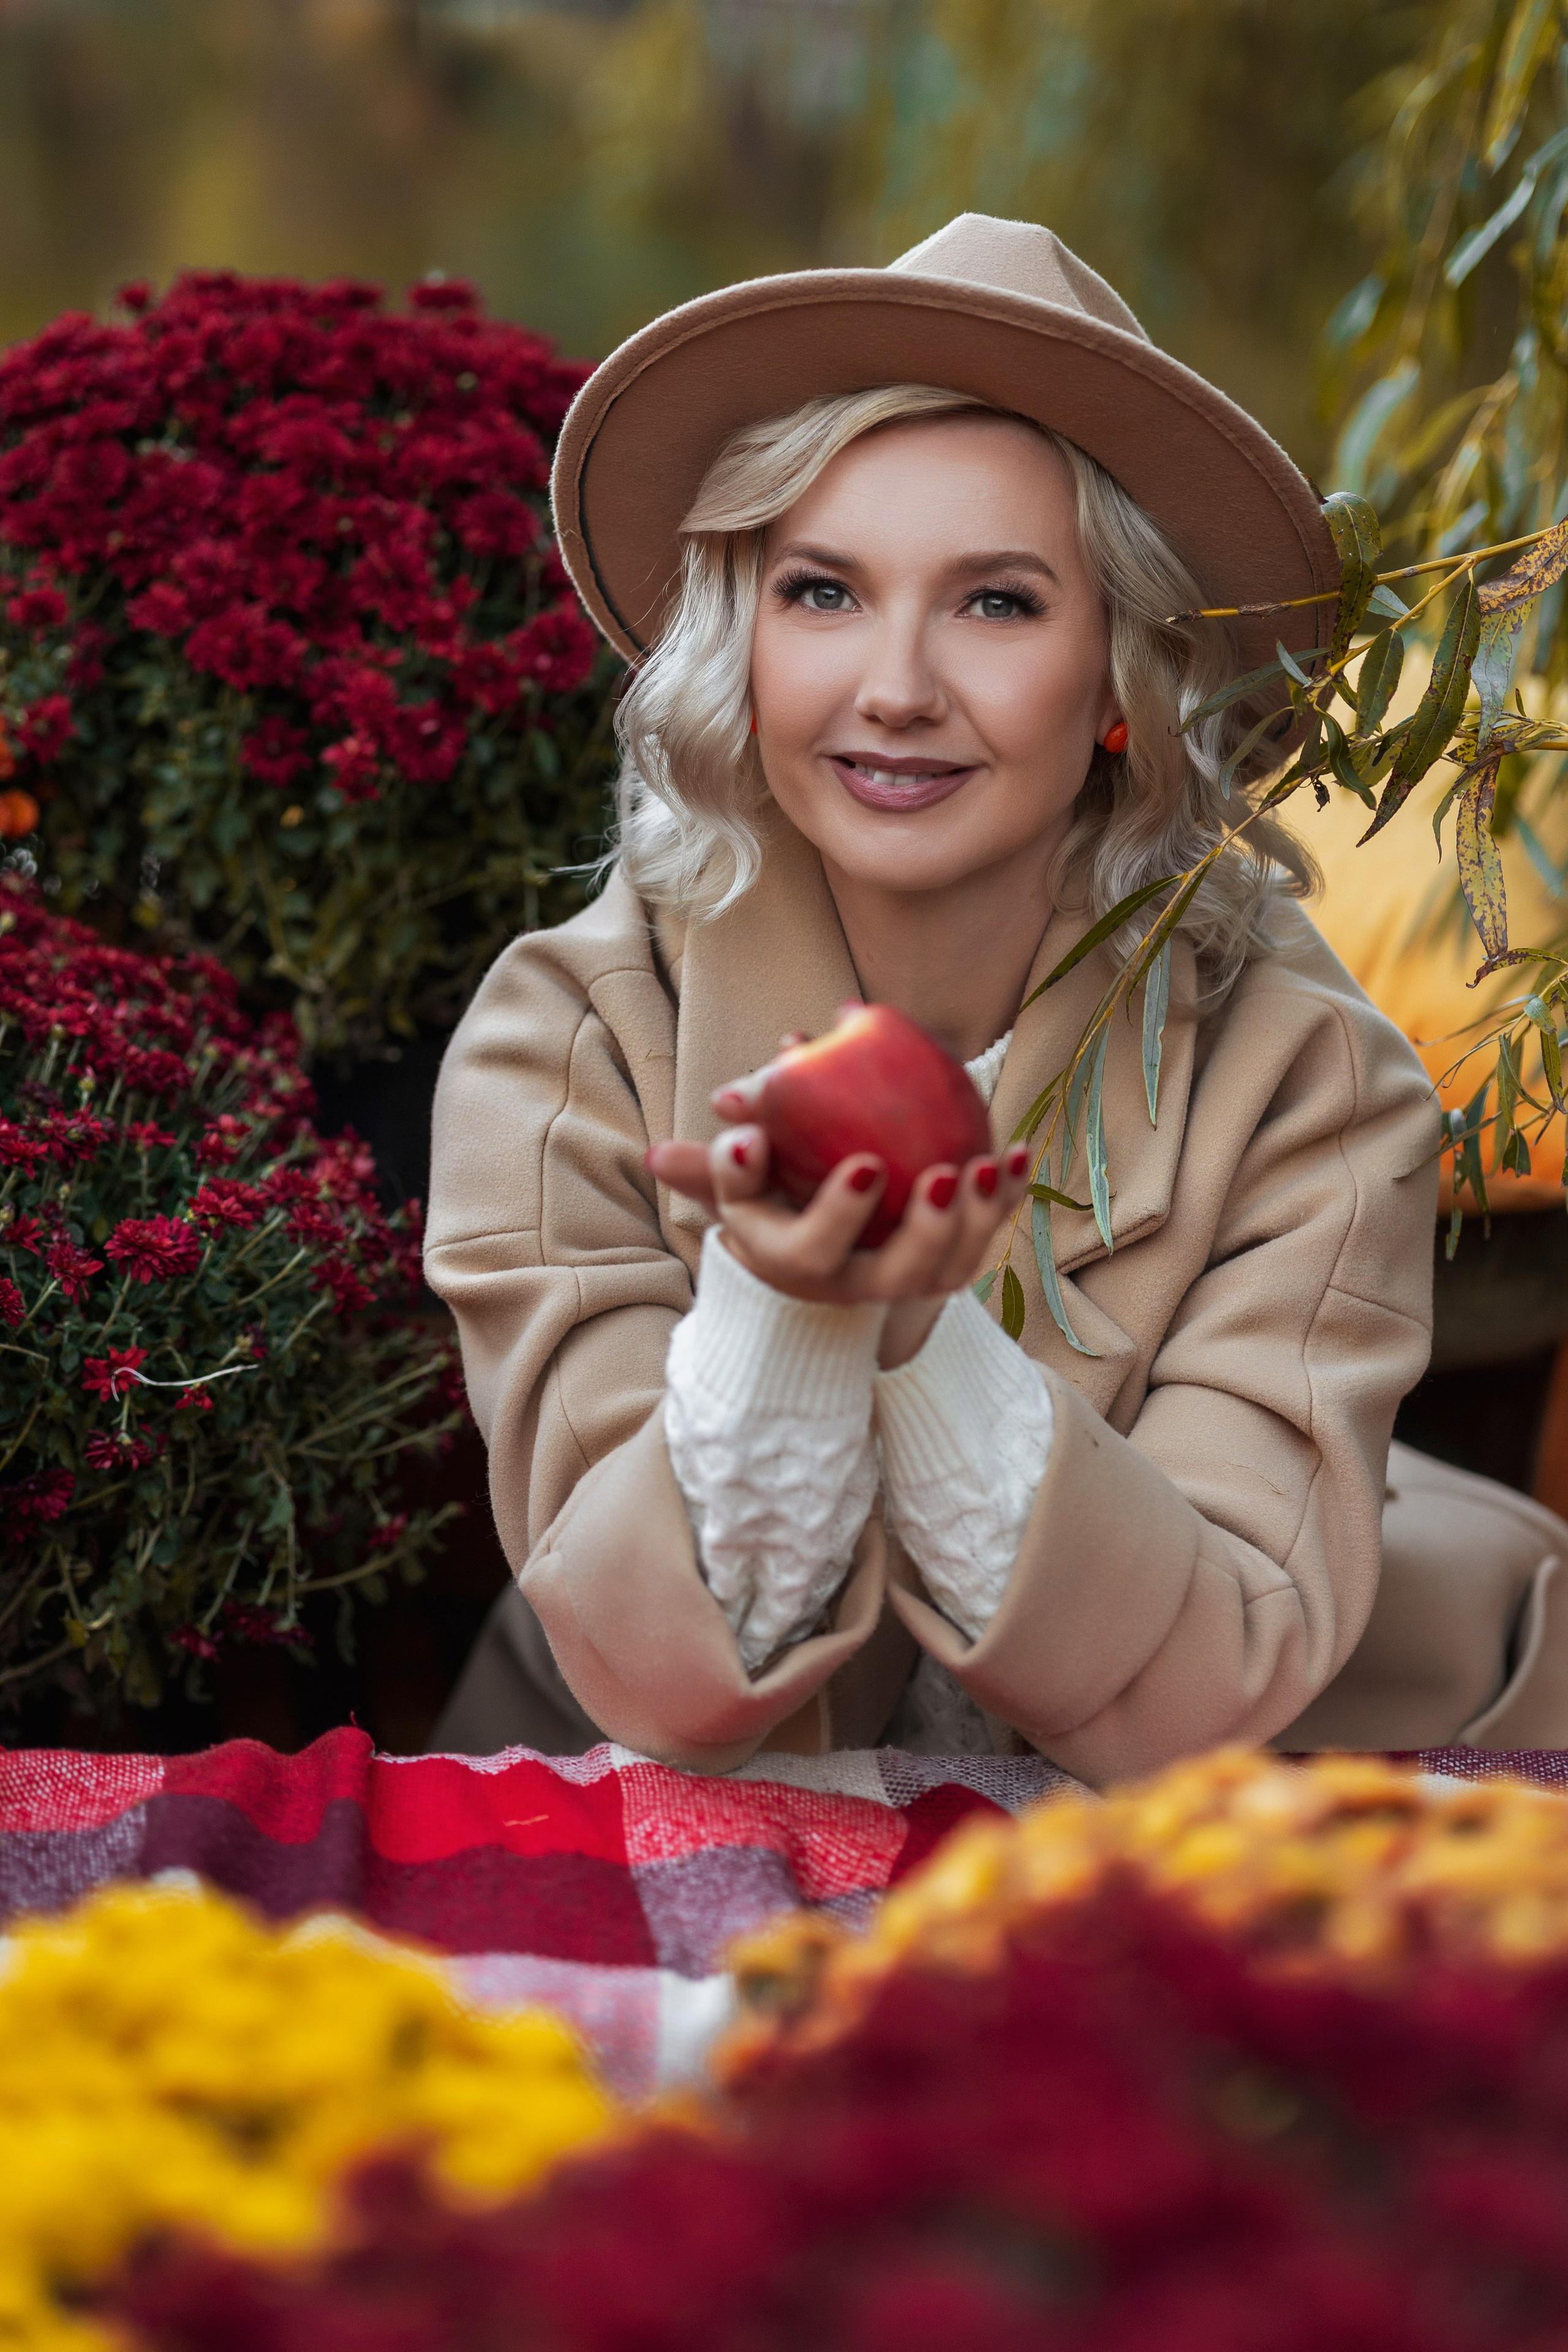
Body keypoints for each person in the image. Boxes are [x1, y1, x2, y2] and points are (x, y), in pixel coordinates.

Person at [426, 213, 1568, 1781]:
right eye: (821, 592)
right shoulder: (562, 1039)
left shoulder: (1307, 1075)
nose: (894, 684)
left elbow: (1201, 1697)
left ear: (1123, 676)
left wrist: (917, 1335)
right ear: (738, 639)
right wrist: (786, 1313)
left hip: (1289, 1752)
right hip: (680, 1792)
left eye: (997, 603)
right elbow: (656, 1677)